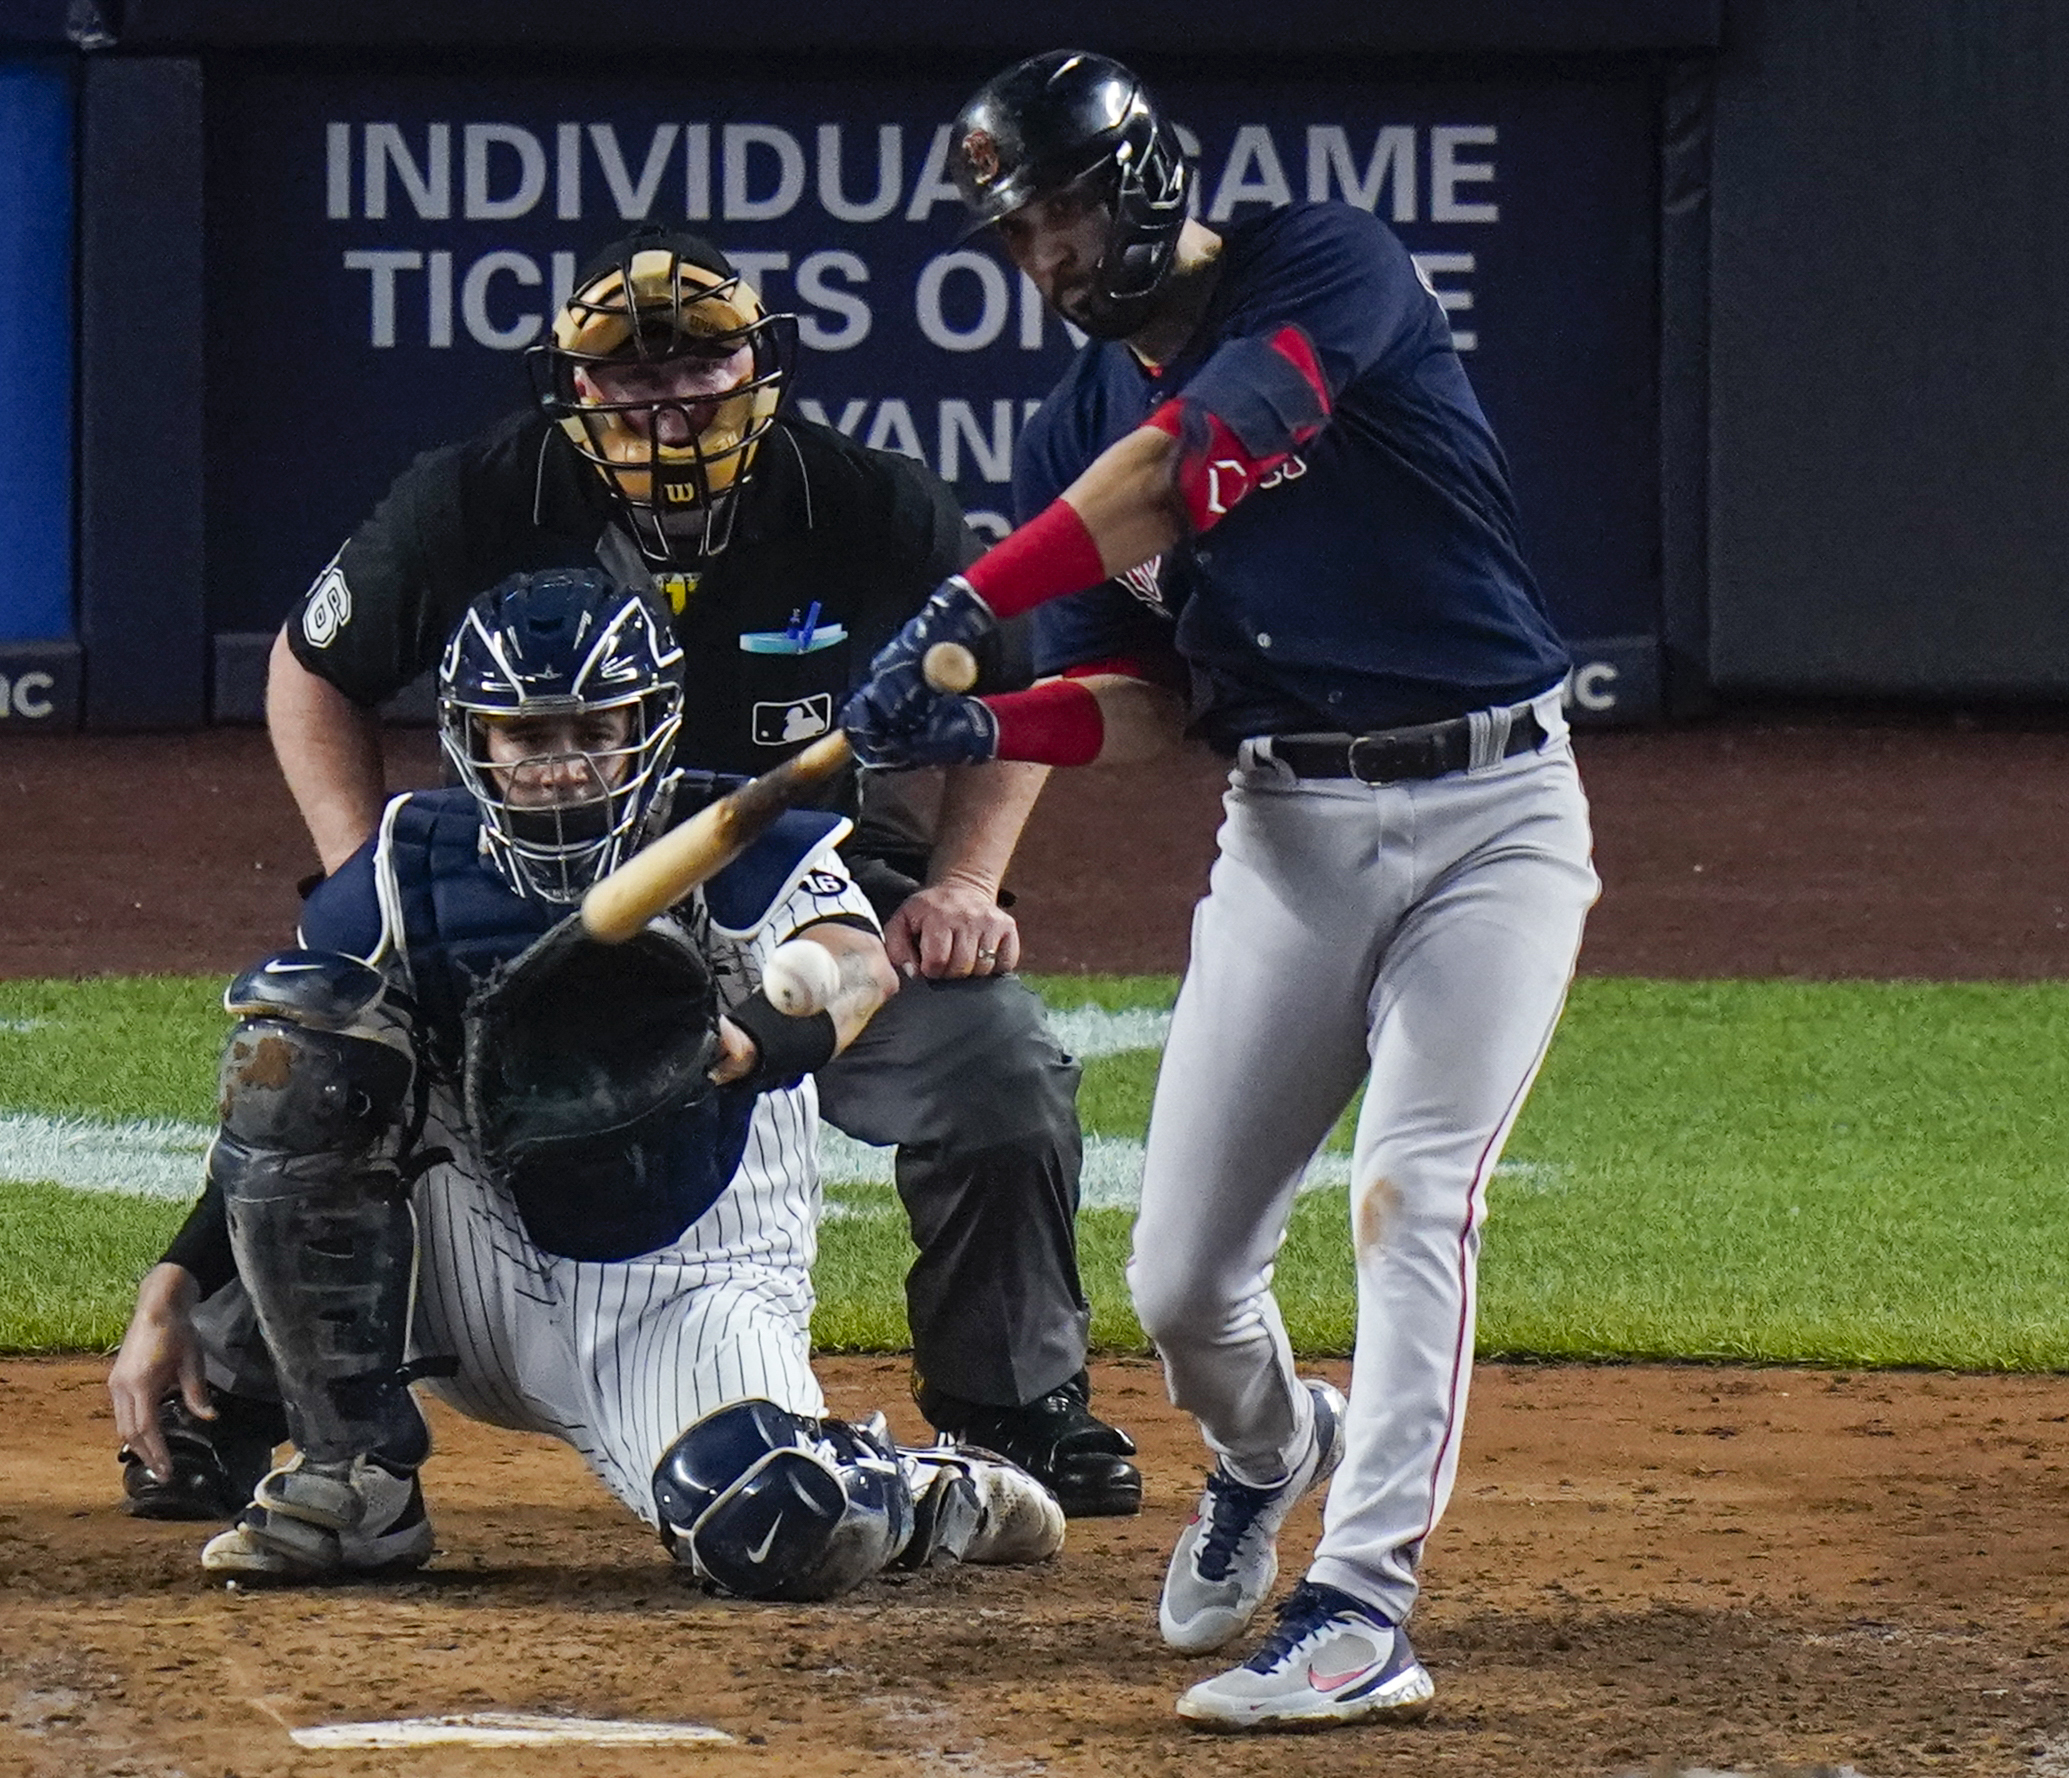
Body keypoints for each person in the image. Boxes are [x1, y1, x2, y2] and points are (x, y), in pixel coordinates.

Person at [844, 52, 1602, 1729]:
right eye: (1015, 233)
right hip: (1288, 835)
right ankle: (1274, 1450)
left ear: (1139, 184)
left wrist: (975, 590)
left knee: (1415, 1194)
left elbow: (1199, 455)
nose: (1041, 257)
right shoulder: (1070, 419)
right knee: (1185, 1280)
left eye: (1056, 214)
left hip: (1494, 812)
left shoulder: (1326, 264)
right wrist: (984, 712)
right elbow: (1148, 704)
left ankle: (1361, 1602)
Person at [209, 226, 1139, 1520]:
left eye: (702, 362)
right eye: (631, 374)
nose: (671, 397)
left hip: (795, 874)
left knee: (996, 1065)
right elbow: (312, 667)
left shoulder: (870, 501)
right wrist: (367, 865)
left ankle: (1007, 1397)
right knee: (320, 1055)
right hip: (526, 898)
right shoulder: (474, 495)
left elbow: (1015, 682)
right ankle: (244, 1395)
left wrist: (967, 882)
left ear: (762, 361)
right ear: (574, 387)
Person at [111, 568, 1065, 1595]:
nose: (562, 767)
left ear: (648, 724)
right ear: (473, 740)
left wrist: (749, 1038)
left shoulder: (742, 839)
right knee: (301, 1037)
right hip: (467, 1253)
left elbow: (855, 963)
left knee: (774, 1524)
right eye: (529, 738)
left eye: (592, 732)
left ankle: (923, 1488)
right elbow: (287, 1093)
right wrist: (174, 1280)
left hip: (683, 1287)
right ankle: (356, 1480)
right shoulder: (407, 860)